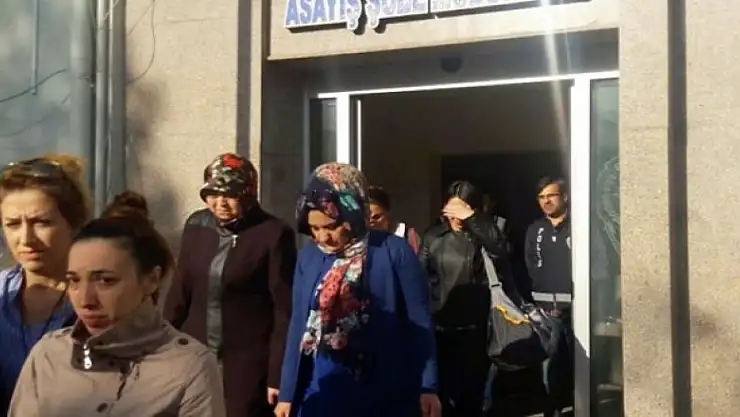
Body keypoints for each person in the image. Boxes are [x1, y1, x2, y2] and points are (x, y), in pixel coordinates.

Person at [8, 191, 226, 416]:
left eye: (105, 281)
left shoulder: (189, 366)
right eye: (74, 281)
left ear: (151, 280)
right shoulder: (49, 354)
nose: (85, 300)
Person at [274, 162, 441, 417]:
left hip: (385, 391)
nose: (323, 237)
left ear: (352, 215)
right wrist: (287, 393)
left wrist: (428, 386)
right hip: (322, 389)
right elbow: (299, 322)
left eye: (331, 227)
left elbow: (418, 322)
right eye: (315, 229)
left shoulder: (393, 251)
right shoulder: (309, 257)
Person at [165, 153, 296, 417]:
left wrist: (277, 375)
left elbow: (283, 310)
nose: (220, 203)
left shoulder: (272, 234)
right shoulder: (197, 226)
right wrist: (161, 345)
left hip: (247, 364)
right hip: (196, 355)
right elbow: (180, 292)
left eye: (230, 195)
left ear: (248, 194)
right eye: (212, 194)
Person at [419, 181, 519, 417]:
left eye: (462, 209)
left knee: (476, 399)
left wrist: (474, 220)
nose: (456, 217)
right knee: (444, 397)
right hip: (442, 327)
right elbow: (421, 278)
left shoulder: (485, 234)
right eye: (452, 209)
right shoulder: (434, 236)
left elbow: (501, 251)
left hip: (478, 330)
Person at [0, 155, 91, 414]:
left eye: (41, 222)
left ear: (73, 223)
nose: (26, 239)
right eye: (13, 224)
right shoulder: (2, 293)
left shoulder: (100, 301)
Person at [524, 176, 574, 417]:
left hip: (579, 310)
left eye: (551, 195)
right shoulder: (535, 230)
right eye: (541, 197)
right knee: (549, 370)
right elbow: (530, 265)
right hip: (545, 311)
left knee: (580, 367)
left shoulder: (580, 226)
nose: (546, 201)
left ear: (564, 196)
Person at [367, 185, 422, 253]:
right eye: (367, 218)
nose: (371, 222)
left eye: (376, 217)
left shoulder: (409, 237)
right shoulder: (360, 243)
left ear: (388, 214)